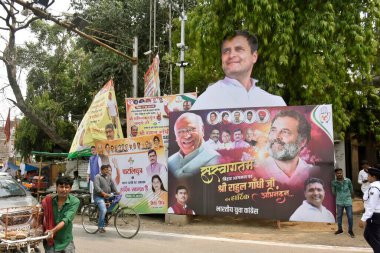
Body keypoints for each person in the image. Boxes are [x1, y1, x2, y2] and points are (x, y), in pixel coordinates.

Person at [191, 30, 286, 110]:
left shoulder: (275, 104)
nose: (231, 55)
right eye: (226, 51)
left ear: (254, 56)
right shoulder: (206, 101)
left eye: (239, 49)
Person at [257, 110, 313, 186]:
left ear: (302, 142)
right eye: (273, 130)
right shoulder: (257, 169)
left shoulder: (312, 172)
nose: (276, 137)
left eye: (285, 132)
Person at [168, 112, 220, 178]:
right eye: (180, 132)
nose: (186, 136)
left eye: (191, 129)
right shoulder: (170, 161)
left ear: (202, 130)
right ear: (176, 137)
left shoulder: (214, 159)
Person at [43, 176, 80, 253]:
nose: (64, 190)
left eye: (67, 187)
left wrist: (53, 231)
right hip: (51, 241)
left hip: (66, 241)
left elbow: (66, 219)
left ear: (70, 189)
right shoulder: (49, 201)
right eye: (61, 187)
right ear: (56, 188)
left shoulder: (75, 201)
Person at [359, 166, 380, 252]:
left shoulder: (374, 188)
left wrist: (363, 219)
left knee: (374, 239)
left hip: (374, 215)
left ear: (373, 177)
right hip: (376, 215)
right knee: (367, 235)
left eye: (368, 175)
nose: (367, 177)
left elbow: (371, 205)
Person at [93, 165, 119, 233]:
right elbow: (96, 187)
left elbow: (113, 186)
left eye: (107, 169)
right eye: (105, 170)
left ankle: (105, 216)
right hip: (99, 197)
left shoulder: (108, 177)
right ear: (101, 170)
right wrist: (103, 193)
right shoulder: (97, 177)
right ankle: (100, 227)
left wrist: (117, 192)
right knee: (103, 210)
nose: (106, 171)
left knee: (116, 200)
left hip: (107, 196)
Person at [331, 168, 355, 237]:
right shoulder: (334, 182)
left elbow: (351, 189)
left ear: (342, 173)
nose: (339, 174)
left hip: (348, 201)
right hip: (339, 202)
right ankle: (340, 229)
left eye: (340, 173)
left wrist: (351, 197)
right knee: (339, 217)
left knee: (350, 217)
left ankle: (350, 230)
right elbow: (333, 192)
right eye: (338, 173)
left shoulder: (348, 181)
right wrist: (339, 196)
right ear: (335, 174)